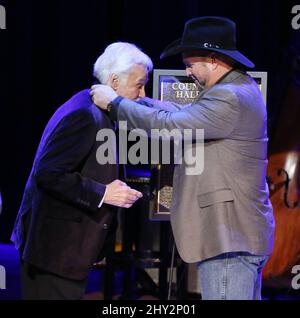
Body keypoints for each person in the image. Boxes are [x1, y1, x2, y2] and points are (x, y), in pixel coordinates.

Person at [90, 17, 275, 300]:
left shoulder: (230, 97)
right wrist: (142, 102)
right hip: (234, 238)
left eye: (190, 63)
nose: (187, 71)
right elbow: (181, 114)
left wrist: (115, 104)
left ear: (213, 59)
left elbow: (172, 126)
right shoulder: (232, 88)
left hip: (228, 240)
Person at [11, 42, 153, 299]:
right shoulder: (84, 115)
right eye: (139, 84)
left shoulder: (96, 110)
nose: (143, 93)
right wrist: (103, 193)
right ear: (114, 81)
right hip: (53, 253)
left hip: (65, 255)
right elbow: (49, 174)